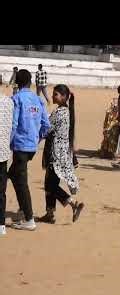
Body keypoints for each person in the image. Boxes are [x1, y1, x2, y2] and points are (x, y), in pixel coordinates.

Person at [9, 69, 51, 231]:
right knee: (12, 174)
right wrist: (36, 139)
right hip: (32, 147)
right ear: (31, 82)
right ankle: (22, 209)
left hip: (20, 146)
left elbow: (13, 125)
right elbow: (46, 126)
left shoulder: (17, 99)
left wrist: (8, 143)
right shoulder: (37, 99)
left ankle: (29, 218)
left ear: (17, 83)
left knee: (21, 182)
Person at [38, 85, 84, 224]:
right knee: (50, 183)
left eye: (56, 94)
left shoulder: (59, 113)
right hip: (63, 153)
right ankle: (50, 213)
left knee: (51, 185)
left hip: (55, 154)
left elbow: (46, 129)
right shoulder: (68, 112)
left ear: (64, 97)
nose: (53, 96)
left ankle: (73, 204)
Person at [0, 93, 13, 235]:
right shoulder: (9, 101)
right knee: (1, 190)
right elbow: (13, 125)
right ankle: (1, 225)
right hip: (3, 150)